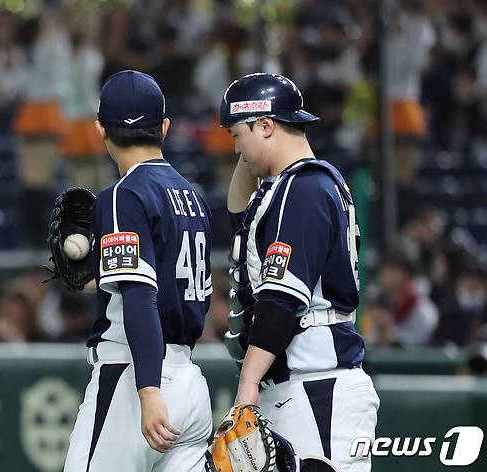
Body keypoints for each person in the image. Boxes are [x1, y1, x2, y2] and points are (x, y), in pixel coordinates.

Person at [220, 73, 379, 472]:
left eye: (238, 134)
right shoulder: (294, 186)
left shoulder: (303, 189)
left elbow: (281, 300)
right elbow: (239, 212)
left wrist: (247, 386)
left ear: (267, 126)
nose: (236, 147)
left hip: (318, 388)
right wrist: (249, 126)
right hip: (302, 386)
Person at [64, 70, 213, 471]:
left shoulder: (122, 195)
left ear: (100, 130)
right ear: (164, 127)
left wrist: (147, 390)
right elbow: (160, 280)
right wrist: (97, 276)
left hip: (135, 379)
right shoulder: (193, 195)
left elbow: (139, 295)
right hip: (189, 383)